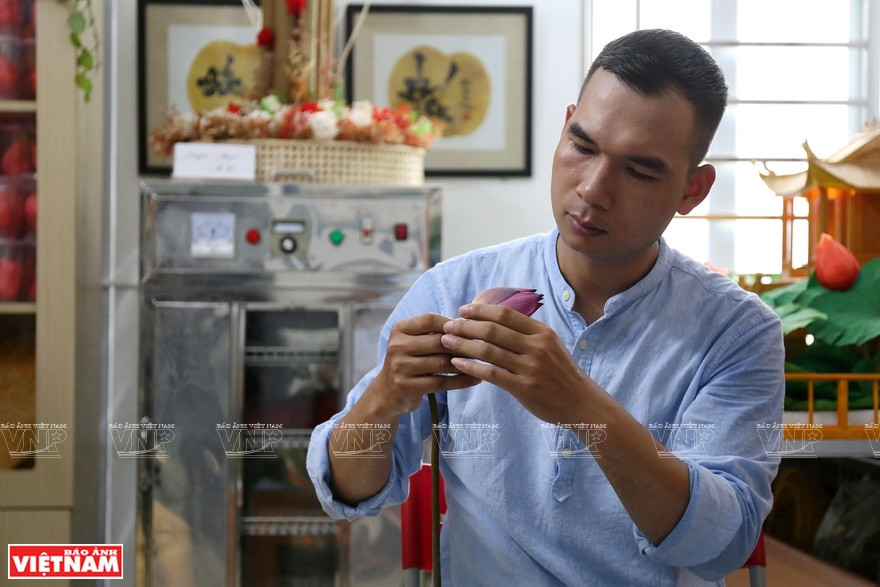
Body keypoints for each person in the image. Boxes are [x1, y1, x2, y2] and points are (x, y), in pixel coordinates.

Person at [307, 28, 784, 585]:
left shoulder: (737, 332)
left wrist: (581, 404)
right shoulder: (456, 288)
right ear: (564, 128)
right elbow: (346, 491)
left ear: (692, 192)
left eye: (639, 170)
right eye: (582, 146)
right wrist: (385, 397)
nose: (593, 190)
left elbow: (718, 544)